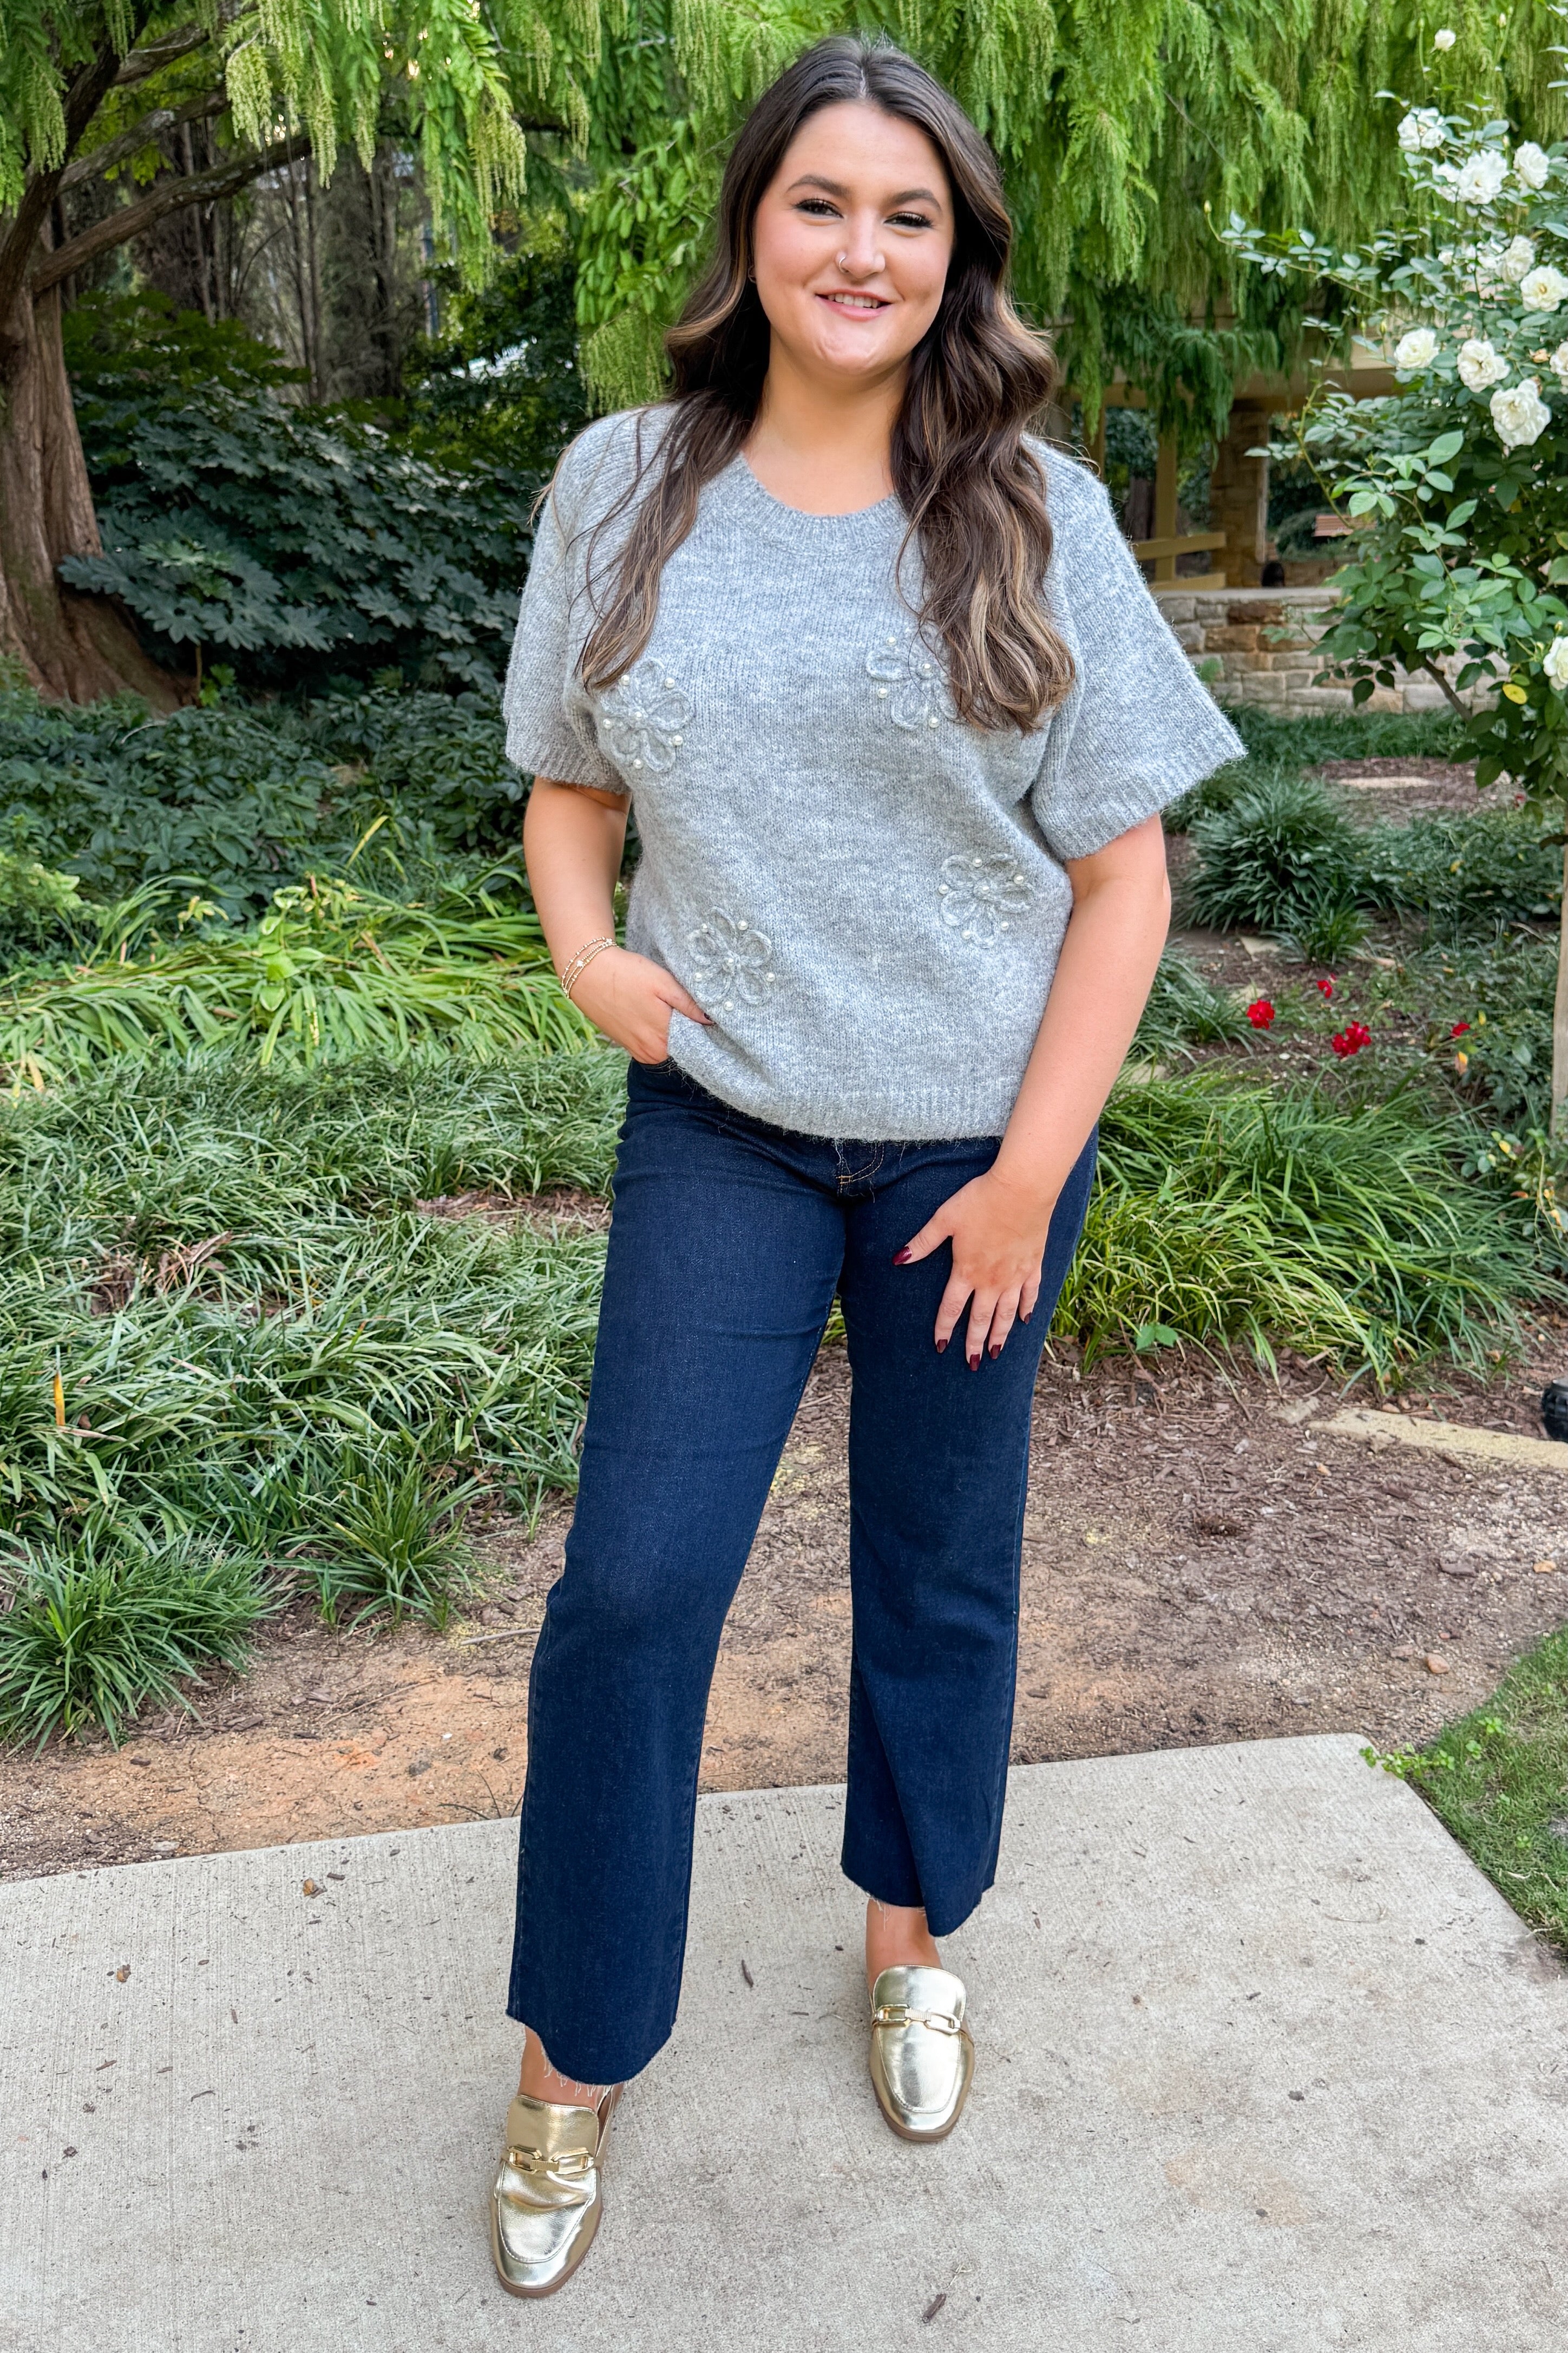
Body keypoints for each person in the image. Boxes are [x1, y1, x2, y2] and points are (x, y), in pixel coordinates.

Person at [490, 35, 1241, 2297]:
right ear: (753, 225)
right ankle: (569, 2057)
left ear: (954, 258)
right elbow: (564, 780)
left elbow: (1121, 879)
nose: (860, 248)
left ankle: (907, 1935)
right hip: (721, 1130)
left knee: (935, 1568)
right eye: (821, 201)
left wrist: (1023, 1173)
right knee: (631, 1589)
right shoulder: (623, 483)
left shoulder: (1031, 512)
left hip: (969, 1155)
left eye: (908, 216)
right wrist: (587, 956)